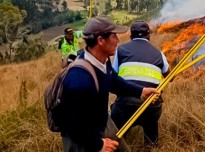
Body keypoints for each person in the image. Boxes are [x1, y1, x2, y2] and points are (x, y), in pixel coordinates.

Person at [60, 16, 161, 152]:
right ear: (101, 40)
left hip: (102, 122)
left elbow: (113, 80)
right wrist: (98, 145)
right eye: (114, 37)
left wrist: (140, 91)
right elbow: (73, 125)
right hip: (81, 137)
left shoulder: (103, 61)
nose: (118, 41)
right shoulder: (79, 79)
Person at [111, 20, 169, 148]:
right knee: (151, 124)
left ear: (131, 36)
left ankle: (118, 145)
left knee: (117, 133)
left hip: (125, 104)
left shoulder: (120, 51)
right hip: (151, 104)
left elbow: (112, 76)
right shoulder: (159, 54)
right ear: (149, 35)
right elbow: (169, 76)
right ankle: (151, 145)